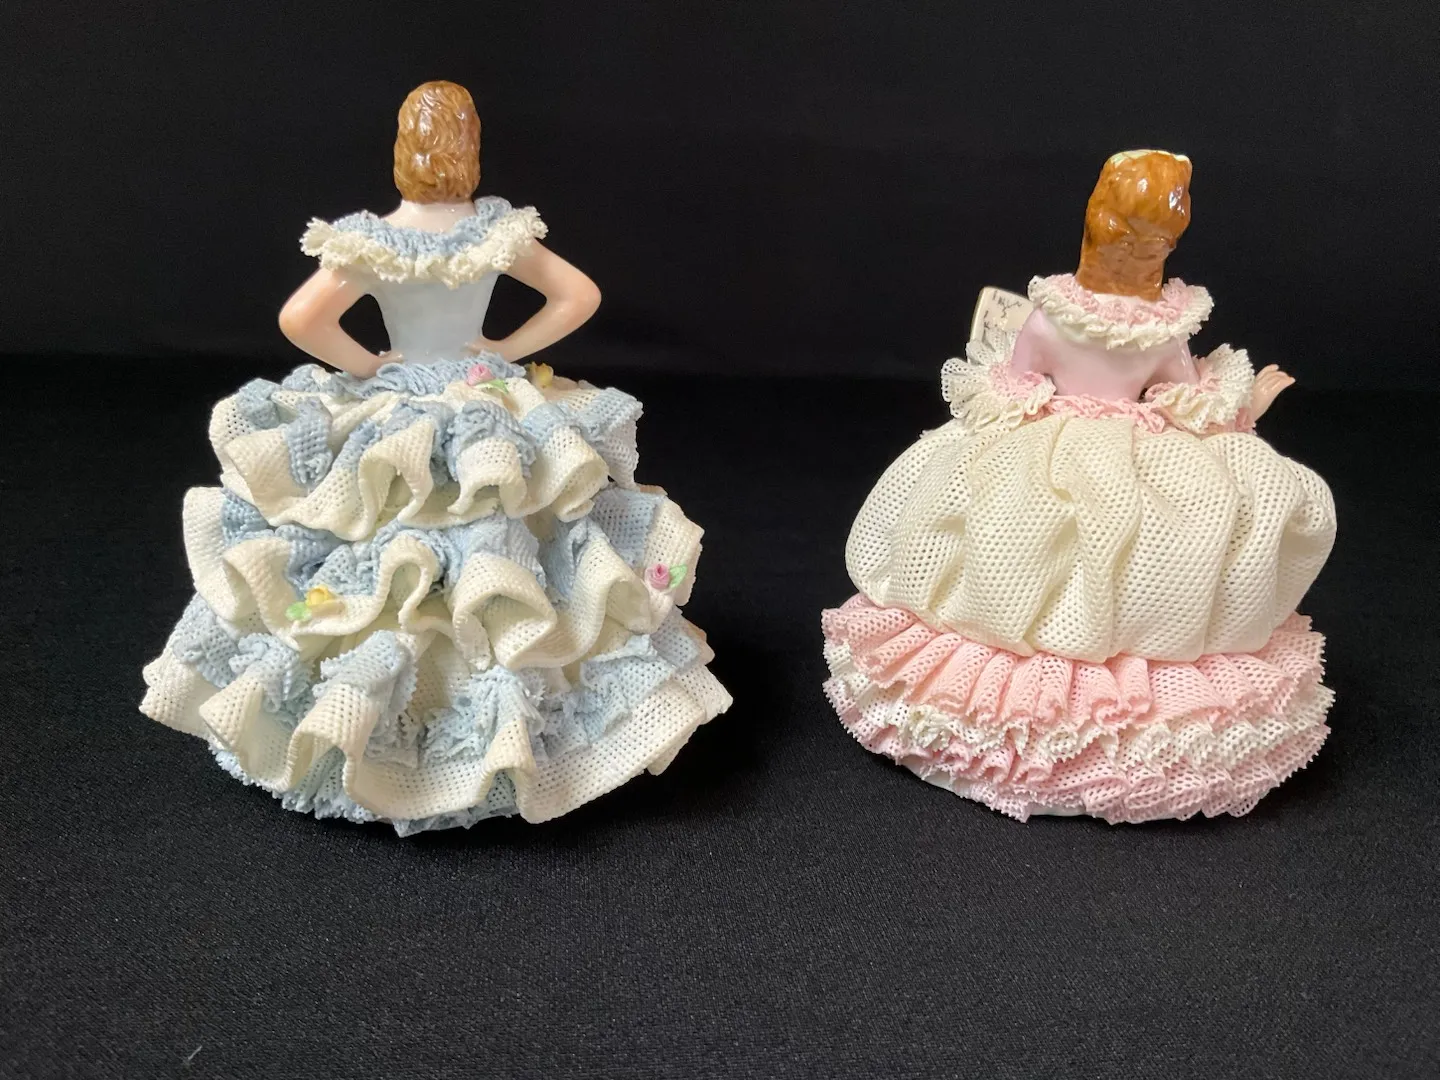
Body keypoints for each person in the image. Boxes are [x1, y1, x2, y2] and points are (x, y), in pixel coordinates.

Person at [141, 81, 730, 834]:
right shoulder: (495, 232)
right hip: (484, 401)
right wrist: (501, 351)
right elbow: (577, 296)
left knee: (378, 545)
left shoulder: (374, 240)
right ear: (471, 144)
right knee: (511, 538)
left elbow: (301, 319)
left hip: (400, 408)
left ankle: (374, 734)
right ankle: (498, 723)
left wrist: (370, 366)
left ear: (402, 148)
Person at [823, 150, 1337, 823]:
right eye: (1159, 240)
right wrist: (1243, 406)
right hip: (1140, 453)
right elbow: (1189, 399)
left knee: (1023, 546)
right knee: (1150, 554)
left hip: (1049, 445)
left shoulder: (1050, 317)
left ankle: (1042, 710)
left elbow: (1011, 388)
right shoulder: (1161, 328)